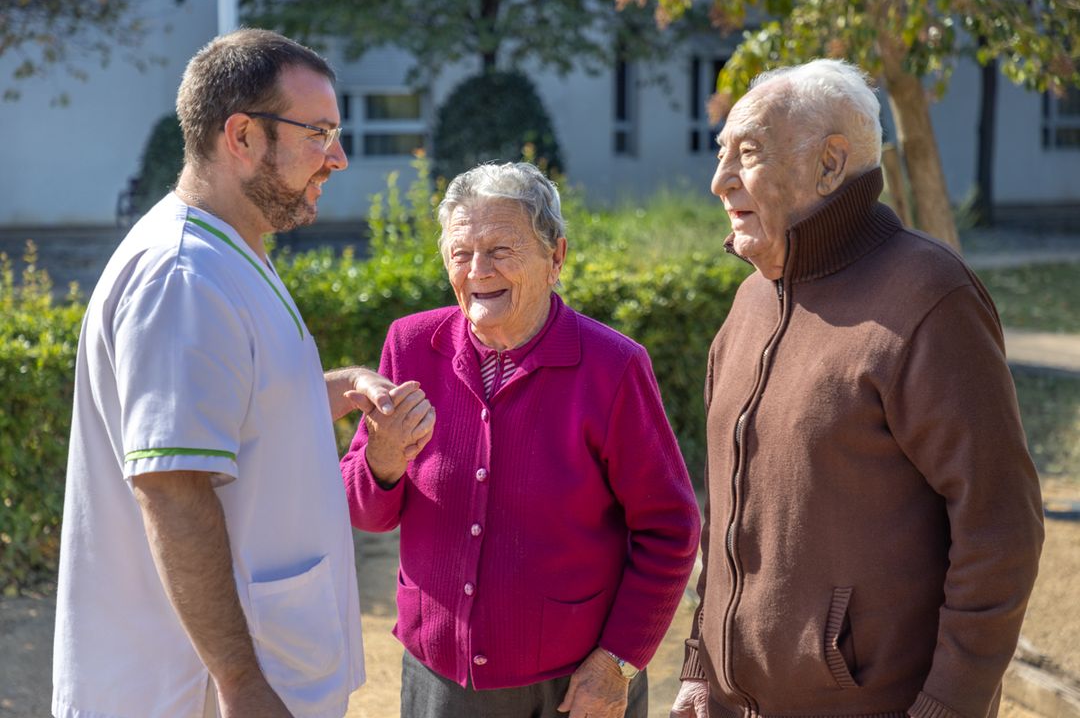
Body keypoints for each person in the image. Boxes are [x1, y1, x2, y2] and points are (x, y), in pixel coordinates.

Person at [52, 28, 433, 718]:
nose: (338, 158)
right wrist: (241, 683)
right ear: (242, 136)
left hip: (257, 674)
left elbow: (234, 418)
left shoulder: (227, 252)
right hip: (195, 693)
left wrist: (341, 390)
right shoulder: (183, 277)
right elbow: (173, 489)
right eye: (319, 133)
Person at [670, 59, 1045, 718]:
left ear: (830, 163)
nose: (718, 180)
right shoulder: (749, 302)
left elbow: (1000, 532)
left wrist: (947, 709)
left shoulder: (930, 299)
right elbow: (725, 510)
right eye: (721, 153)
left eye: (747, 155)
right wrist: (701, 665)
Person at [340, 162, 702, 718]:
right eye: (461, 253)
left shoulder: (613, 367)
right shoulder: (410, 346)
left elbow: (670, 526)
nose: (478, 270)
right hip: (442, 679)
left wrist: (617, 663)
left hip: (574, 688)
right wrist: (382, 463)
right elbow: (362, 511)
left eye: (501, 250)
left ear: (555, 257)